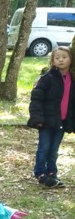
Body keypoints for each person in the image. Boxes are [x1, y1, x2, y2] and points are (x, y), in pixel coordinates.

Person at [27, 46, 74, 188]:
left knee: (54, 149)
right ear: (52, 61)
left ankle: (52, 172)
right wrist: (37, 118)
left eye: (64, 57)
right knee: (44, 147)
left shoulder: (72, 79)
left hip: (62, 121)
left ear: (71, 59)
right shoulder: (47, 78)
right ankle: (41, 173)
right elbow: (36, 99)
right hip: (46, 121)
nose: (61, 60)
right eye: (57, 57)